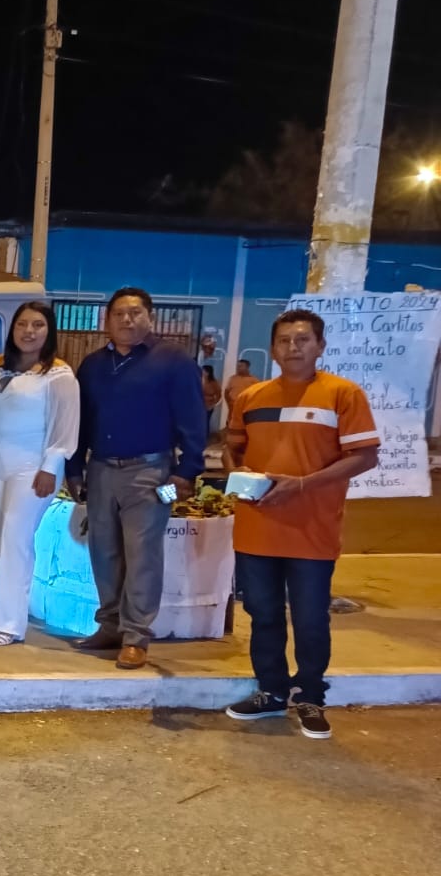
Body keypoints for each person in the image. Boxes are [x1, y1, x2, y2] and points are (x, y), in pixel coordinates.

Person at [222, 309, 380, 739]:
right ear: (273, 349)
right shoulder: (251, 398)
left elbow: (365, 456)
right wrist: (239, 474)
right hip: (256, 527)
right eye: (284, 341)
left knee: (310, 618)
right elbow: (233, 449)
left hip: (312, 529)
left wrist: (303, 484)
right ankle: (271, 691)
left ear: (320, 346)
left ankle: (310, 696)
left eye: (303, 340)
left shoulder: (342, 394)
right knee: (262, 614)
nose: (293, 347)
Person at [64, 287, 207, 670]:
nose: (127, 320)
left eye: (135, 313)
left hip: (151, 472)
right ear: (107, 321)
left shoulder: (173, 361)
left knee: (143, 553)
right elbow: (81, 421)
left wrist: (187, 471)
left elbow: (193, 418)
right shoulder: (93, 365)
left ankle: (135, 636)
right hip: (101, 469)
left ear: (150, 318)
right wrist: (74, 468)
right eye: (119, 314)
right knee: (104, 552)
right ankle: (110, 625)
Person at [0, 301, 79, 646]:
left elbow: (66, 427)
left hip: (32, 468)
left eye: (38, 325)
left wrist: (51, 467)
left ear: (49, 331)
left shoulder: (58, 374)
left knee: (15, 540)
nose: (29, 331)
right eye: (22, 324)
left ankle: (9, 625)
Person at [201, 365, 223, 431]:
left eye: (203, 371)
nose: (202, 372)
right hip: (199, 404)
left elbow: (219, 394)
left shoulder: (214, 382)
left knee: (205, 422)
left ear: (208, 373)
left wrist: (213, 404)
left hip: (208, 405)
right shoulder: (199, 380)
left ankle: (205, 435)